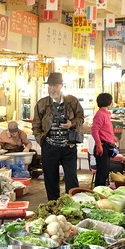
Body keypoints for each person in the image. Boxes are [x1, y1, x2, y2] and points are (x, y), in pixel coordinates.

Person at [33, 72, 85, 201]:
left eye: (55, 85)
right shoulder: (42, 104)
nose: (52, 88)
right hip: (49, 147)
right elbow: (36, 125)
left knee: (71, 177)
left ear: (61, 86)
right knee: (50, 178)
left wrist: (71, 124)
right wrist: (42, 142)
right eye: (50, 85)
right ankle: (53, 204)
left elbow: (81, 117)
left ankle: (73, 202)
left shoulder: (71, 101)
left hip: (68, 146)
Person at [91, 93, 117, 187]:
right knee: (102, 174)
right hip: (102, 147)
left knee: (105, 172)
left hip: (106, 146)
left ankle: (101, 191)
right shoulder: (100, 114)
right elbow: (94, 130)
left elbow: (104, 130)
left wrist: (112, 138)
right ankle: (98, 193)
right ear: (109, 102)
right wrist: (99, 145)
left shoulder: (105, 114)